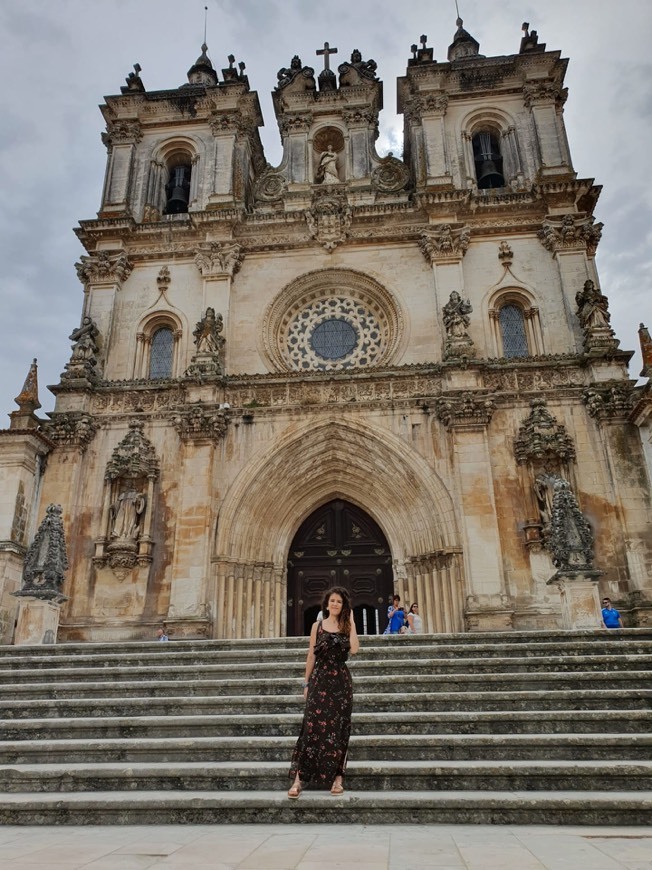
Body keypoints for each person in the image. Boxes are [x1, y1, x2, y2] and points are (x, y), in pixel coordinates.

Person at [288, 586, 359, 799]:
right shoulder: (316, 626)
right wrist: (306, 683)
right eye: (332, 601)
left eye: (339, 601)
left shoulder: (347, 627)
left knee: (339, 730)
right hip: (319, 680)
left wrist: (353, 622)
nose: (335, 604)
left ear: (344, 605)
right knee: (311, 728)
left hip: (340, 683)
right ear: (327, 604)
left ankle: (338, 779)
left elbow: (354, 649)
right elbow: (311, 656)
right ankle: (298, 780)